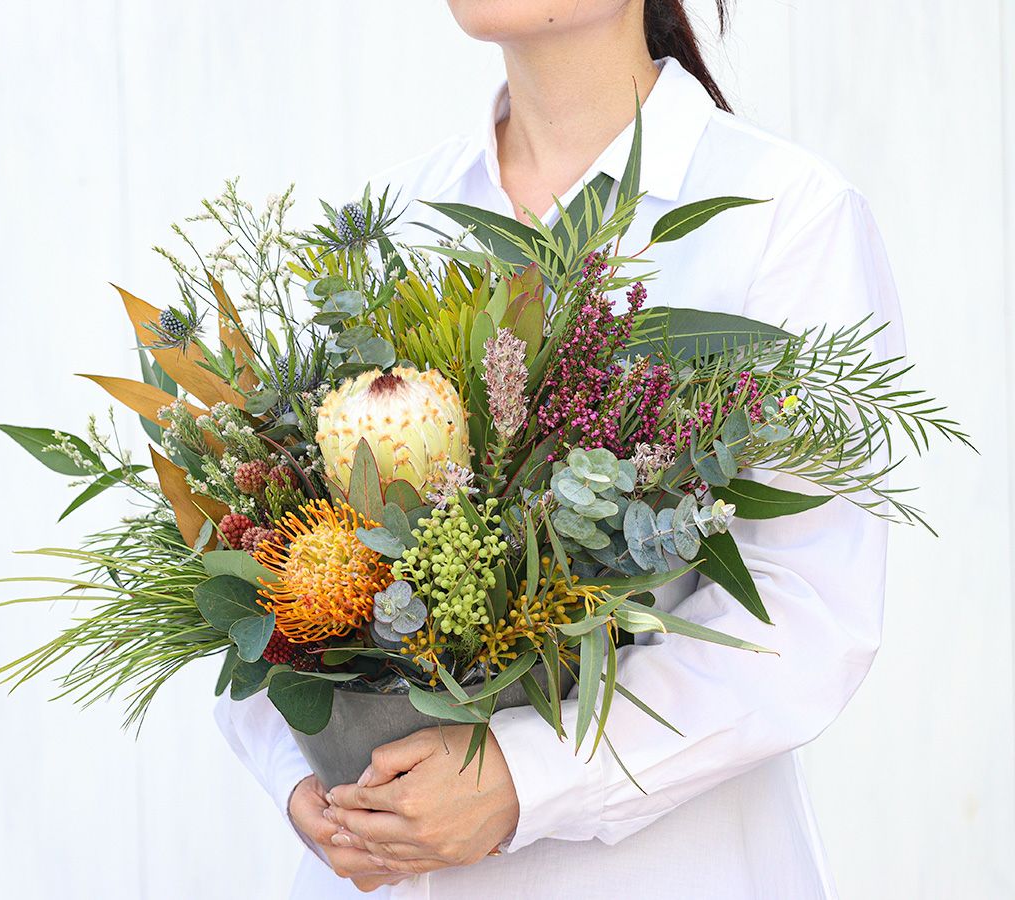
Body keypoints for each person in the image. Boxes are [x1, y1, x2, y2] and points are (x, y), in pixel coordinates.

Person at [217, 1, 904, 896]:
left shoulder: (784, 215)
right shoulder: (388, 223)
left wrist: (527, 778)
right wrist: (300, 782)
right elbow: (258, 565)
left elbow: (811, 614)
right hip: (385, 868)